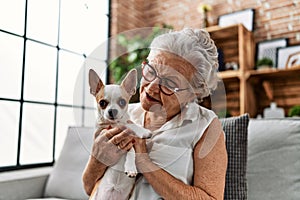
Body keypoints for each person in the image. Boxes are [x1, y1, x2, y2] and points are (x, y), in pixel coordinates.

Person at [82, 28, 228, 199]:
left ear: (193, 93)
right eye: (151, 71)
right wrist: (96, 160)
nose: (151, 87)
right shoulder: (124, 113)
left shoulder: (205, 125)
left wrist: (144, 162)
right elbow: (88, 188)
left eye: (169, 82)